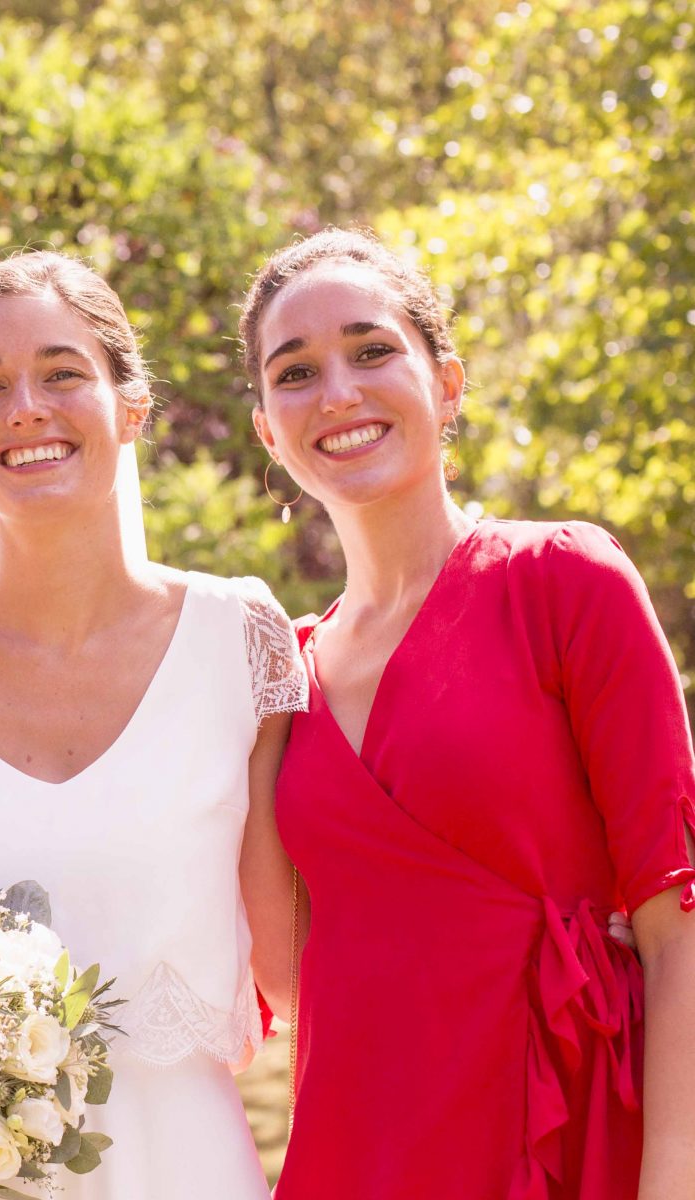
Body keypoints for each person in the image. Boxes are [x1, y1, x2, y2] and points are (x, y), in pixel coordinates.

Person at [0, 249, 305, 1199]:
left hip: (187, 1168)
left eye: (62, 373)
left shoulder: (241, 637)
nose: (24, 409)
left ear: (133, 406)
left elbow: (294, 967)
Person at [242, 227, 695, 1200]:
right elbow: (292, 977)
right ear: (269, 432)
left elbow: (679, 927)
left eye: (372, 350)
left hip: (565, 1141)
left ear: (447, 385)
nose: (337, 393)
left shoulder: (564, 581)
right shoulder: (281, 672)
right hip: (359, 1152)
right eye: (296, 372)